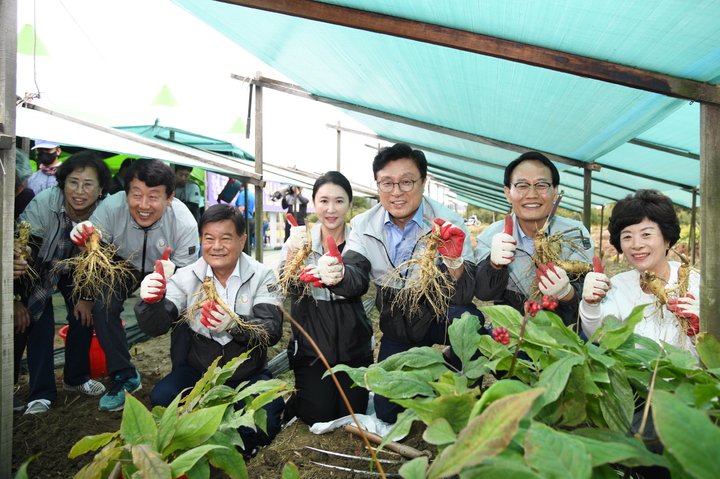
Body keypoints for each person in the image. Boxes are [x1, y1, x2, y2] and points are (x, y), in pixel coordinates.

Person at [304, 144, 476, 423]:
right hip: (399, 323)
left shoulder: (447, 222)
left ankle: (449, 371)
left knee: (470, 321)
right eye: (387, 183)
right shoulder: (364, 224)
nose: (396, 192)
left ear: (423, 181)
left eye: (407, 182)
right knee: (387, 411)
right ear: (378, 184)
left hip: (439, 314)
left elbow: (466, 292)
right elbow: (357, 275)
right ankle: (419, 380)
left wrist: (455, 263)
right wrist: (339, 274)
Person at [134, 204, 284, 457]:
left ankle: (233, 444)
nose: (217, 246)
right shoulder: (185, 277)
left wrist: (236, 325)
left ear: (241, 240)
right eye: (209, 238)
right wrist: (151, 301)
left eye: (226, 238)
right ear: (201, 239)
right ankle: (208, 437)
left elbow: (272, 330)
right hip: (198, 369)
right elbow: (157, 326)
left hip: (247, 371)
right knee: (163, 397)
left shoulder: (263, 275)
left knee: (265, 421)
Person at [71, 159, 199, 411]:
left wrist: (169, 285)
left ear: (169, 198)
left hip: (166, 268)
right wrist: (85, 293)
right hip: (121, 262)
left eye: (154, 197)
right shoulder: (109, 207)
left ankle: (183, 377)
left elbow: (187, 279)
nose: (143, 205)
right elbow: (91, 258)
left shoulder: (184, 222)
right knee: (102, 304)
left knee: (185, 311)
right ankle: (125, 375)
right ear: (125, 192)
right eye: (136, 195)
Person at [14, 151, 113, 414]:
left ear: (101, 188)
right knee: (39, 321)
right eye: (73, 182)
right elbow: (23, 253)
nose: (79, 191)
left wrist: (87, 298)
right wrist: (16, 300)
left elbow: (99, 264)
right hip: (39, 268)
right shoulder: (43, 204)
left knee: (84, 314)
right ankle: (42, 393)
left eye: (88, 184)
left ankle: (76, 378)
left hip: (78, 269)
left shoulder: (107, 211)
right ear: (62, 183)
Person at [282, 171, 373, 425]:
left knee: (351, 416)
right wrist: (293, 253)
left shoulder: (359, 241)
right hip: (312, 348)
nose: (331, 209)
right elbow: (287, 285)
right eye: (323, 201)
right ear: (313, 203)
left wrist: (338, 275)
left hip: (353, 347)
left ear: (350, 204)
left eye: (339, 201)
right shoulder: (300, 241)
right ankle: (299, 400)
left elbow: (358, 282)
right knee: (319, 415)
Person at [474, 151, 594, 327]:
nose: (532, 194)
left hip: (562, 330)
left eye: (541, 185)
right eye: (522, 185)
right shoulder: (492, 236)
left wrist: (567, 293)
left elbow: (587, 297)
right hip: (514, 331)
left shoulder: (574, 233)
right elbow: (484, 294)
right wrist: (494, 266)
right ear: (508, 193)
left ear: (555, 192)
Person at [580, 189, 699, 355]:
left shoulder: (694, 283)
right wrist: (590, 305)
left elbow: (710, 355)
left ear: (667, 240)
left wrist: (699, 332)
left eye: (646, 234)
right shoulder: (619, 285)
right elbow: (600, 336)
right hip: (635, 378)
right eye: (627, 237)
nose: (636, 245)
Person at [235, 184, 255, 249]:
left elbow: (241, 208)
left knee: (242, 244)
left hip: (244, 220)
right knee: (247, 244)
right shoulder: (250, 194)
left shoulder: (242, 194)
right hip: (250, 219)